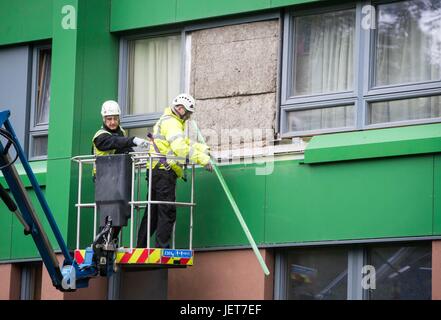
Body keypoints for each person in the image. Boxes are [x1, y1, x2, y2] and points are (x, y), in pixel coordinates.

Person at [137, 93, 213, 249]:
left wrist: (203, 148)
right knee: (167, 211)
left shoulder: (169, 120)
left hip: (155, 170)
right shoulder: (172, 123)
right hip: (164, 172)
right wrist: (203, 160)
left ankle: (140, 246)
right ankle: (162, 248)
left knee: (152, 212)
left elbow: (183, 142)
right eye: (188, 113)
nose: (188, 117)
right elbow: (179, 148)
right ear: (180, 109)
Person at [91, 100, 149, 255]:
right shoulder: (101, 136)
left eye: (115, 118)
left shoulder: (120, 132)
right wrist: (133, 140)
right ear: (104, 119)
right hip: (103, 178)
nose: (112, 122)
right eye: (109, 119)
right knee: (109, 213)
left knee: (122, 211)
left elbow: (125, 148)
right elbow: (114, 143)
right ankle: (101, 244)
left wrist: (139, 155)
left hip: (118, 177)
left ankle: (111, 242)